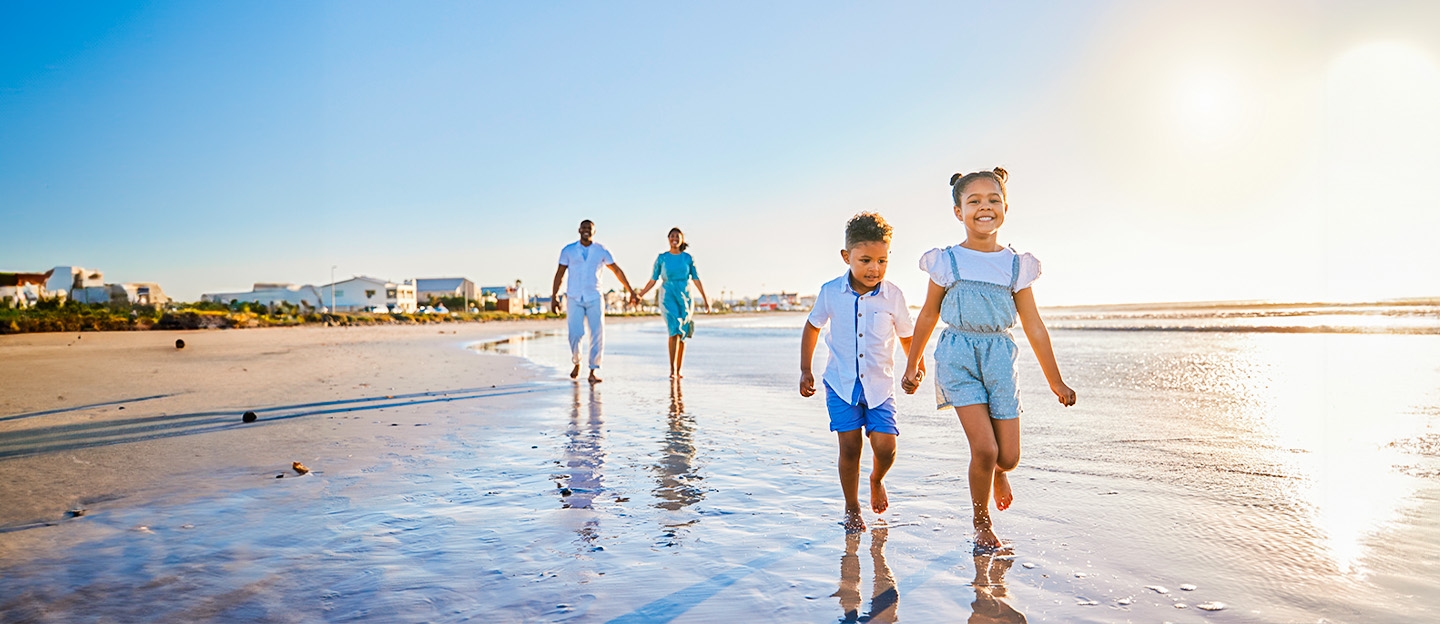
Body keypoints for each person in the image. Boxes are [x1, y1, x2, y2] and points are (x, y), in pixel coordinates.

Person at [900, 167, 1076, 551]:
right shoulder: (947, 261)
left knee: (1008, 457)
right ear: (958, 211)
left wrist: (1055, 381)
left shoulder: (1016, 265)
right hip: (958, 355)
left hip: (999, 356)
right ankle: (981, 523)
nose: (984, 207)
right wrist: (913, 362)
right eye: (974, 201)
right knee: (985, 449)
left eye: (993, 200)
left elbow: (1033, 325)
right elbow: (928, 313)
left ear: (1006, 207)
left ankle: (998, 473)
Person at [800, 212, 919, 533]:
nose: (874, 269)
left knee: (886, 447)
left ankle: (877, 479)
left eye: (882, 260)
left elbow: (907, 335)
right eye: (865, 260)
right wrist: (805, 370)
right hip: (841, 385)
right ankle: (852, 507)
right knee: (850, 448)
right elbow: (812, 327)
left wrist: (914, 366)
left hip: (881, 387)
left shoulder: (893, 295)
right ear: (846, 257)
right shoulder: (830, 292)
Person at [551, 219, 639, 383]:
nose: (586, 231)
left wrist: (631, 291)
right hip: (574, 297)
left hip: (594, 297)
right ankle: (577, 361)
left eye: (589, 229)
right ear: (578, 230)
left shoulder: (601, 250)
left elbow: (617, 271)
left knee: (597, 334)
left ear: (594, 231)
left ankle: (593, 370)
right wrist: (554, 296)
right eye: (583, 228)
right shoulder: (568, 250)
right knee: (575, 334)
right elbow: (559, 274)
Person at [635, 228, 711, 379]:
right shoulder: (662, 258)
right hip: (667, 295)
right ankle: (672, 370)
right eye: (672, 236)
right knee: (674, 328)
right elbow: (653, 279)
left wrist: (705, 299)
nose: (674, 238)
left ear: (682, 239)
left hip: (685, 297)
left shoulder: (688, 258)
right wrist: (640, 295)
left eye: (677, 236)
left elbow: (696, 279)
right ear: (668, 239)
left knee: (682, 332)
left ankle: (679, 369)